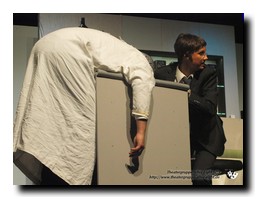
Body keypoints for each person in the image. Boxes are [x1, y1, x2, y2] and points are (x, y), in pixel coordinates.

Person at [13, 27, 155, 185]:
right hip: (69, 49)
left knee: (49, 118)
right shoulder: (140, 60)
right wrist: (141, 132)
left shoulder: (118, 48)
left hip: (45, 44)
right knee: (81, 128)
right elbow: (142, 84)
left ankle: (50, 175)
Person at [154, 33, 226, 185]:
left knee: (199, 178)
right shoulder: (162, 74)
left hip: (207, 138)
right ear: (186, 55)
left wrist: (185, 92)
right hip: (176, 137)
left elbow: (210, 108)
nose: (206, 57)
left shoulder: (208, 74)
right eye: (201, 53)